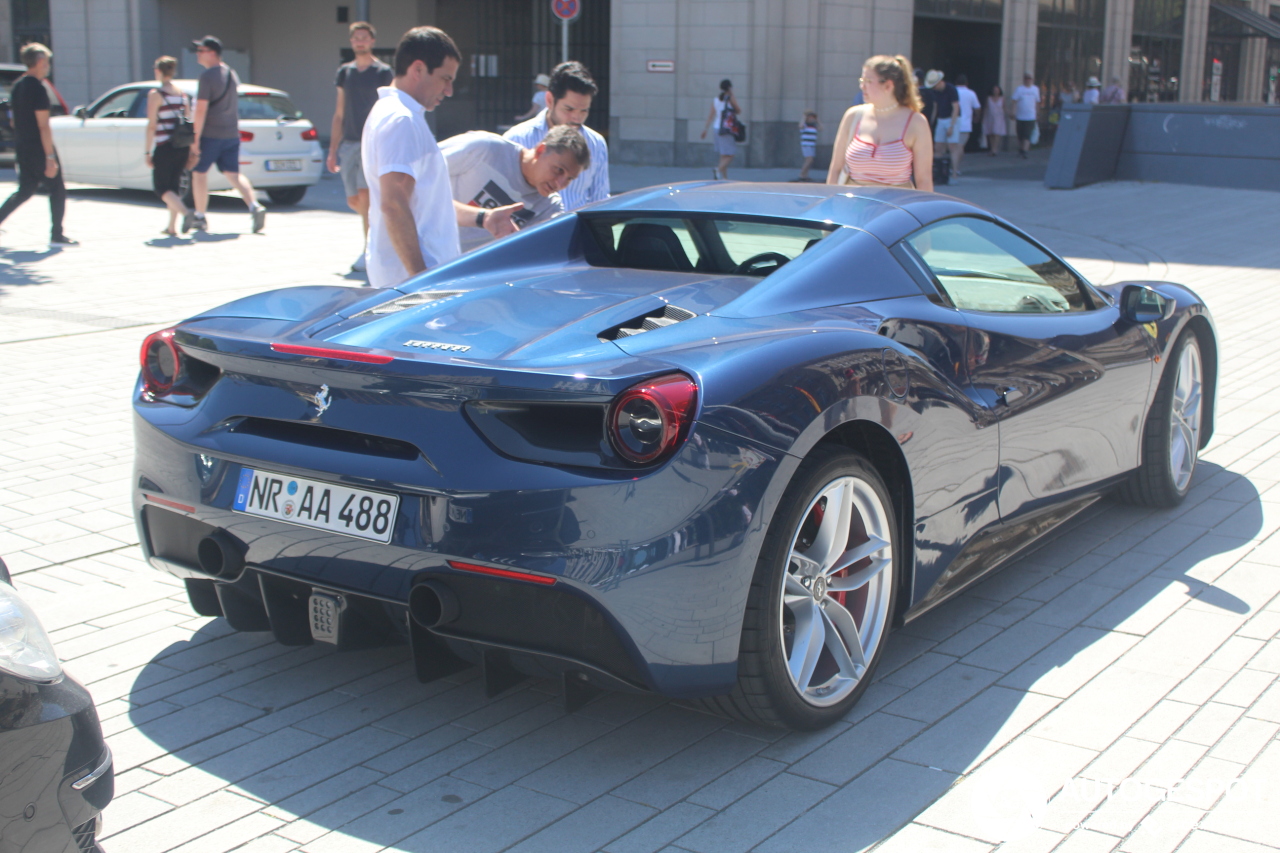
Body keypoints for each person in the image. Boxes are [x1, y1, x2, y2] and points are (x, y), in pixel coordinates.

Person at [362, 27, 519, 289]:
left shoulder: (400, 115)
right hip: (412, 281)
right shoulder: (401, 120)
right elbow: (394, 204)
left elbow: (424, 200)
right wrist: (421, 281)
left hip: (411, 277)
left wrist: (484, 218)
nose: (449, 90)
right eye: (445, 78)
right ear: (418, 69)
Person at [443, 124, 587, 250]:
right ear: (541, 150)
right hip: (427, 252)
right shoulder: (485, 148)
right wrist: (483, 217)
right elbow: (421, 180)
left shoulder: (549, 207)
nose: (560, 184)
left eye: (569, 179)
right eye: (558, 170)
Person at [327, 21, 393, 272]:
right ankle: (375, 241)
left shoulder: (383, 72)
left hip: (373, 143)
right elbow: (339, 112)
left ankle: (368, 251)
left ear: (372, 41)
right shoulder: (345, 72)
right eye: (356, 38)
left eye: (364, 37)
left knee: (365, 197)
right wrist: (333, 150)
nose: (360, 41)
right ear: (352, 41)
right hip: (349, 144)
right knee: (355, 200)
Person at [503, 61, 609, 209]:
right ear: (550, 101)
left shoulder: (596, 143)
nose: (577, 118)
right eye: (569, 109)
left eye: (584, 111)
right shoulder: (517, 139)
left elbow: (600, 200)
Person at [189, 35, 266, 233]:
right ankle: (254, 206)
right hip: (231, 133)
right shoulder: (232, 74)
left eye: (201, 50)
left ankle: (200, 216)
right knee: (233, 174)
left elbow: (201, 109)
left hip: (210, 134)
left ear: (212, 53)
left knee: (199, 173)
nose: (197, 54)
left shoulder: (207, 77)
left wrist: (195, 138)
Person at [0, 43, 75, 246]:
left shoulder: (18, 85)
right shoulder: (39, 89)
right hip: (39, 149)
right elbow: (44, 126)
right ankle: (57, 235)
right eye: (48, 61)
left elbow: (14, 120)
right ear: (40, 61)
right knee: (57, 190)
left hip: (23, 147)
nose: (49, 66)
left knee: (25, 190)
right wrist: (50, 157)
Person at [826, 55, 933, 192]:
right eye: (861, 80)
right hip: (853, 206)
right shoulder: (853, 116)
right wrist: (830, 205)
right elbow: (835, 169)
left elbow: (924, 180)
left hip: (895, 207)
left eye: (868, 81)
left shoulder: (916, 122)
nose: (862, 86)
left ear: (888, 85)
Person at [144, 56, 194, 236]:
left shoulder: (156, 95)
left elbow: (152, 125)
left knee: (161, 188)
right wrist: (193, 150)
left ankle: (187, 213)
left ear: (159, 71)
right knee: (173, 187)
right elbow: (189, 122)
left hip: (165, 146)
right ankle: (172, 227)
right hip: (182, 146)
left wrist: (147, 151)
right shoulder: (182, 95)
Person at [700, 79, 741, 180]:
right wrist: (732, 96)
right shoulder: (730, 98)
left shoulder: (716, 99)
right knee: (731, 154)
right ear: (729, 87)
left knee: (723, 154)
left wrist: (705, 129)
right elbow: (739, 110)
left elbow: (711, 116)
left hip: (716, 128)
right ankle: (718, 169)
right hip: (726, 129)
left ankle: (724, 178)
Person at [929, 71, 960, 173]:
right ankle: (938, 172)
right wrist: (932, 122)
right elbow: (935, 107)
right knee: (938, 146)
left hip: (951, 118)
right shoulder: (935, 92)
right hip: (941, 119)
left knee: (952, 146)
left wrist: (951, 125)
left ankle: (954, 172)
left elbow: (956, 108)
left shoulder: (951, 89)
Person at [953, 73, 981, 178]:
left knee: (954, 147)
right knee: (960, 147)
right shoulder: (971, 93)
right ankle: (955, 168)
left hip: (953, 123)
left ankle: (954, 167)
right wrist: (977, 117)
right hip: (965, 124)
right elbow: (977, 107)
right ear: (967, 83)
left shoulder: (953, 91)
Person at [1011, 73, 1042, 159]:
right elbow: (1014, 101)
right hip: (1020, 116)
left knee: (1027, 134)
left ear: (1032, 80)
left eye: (1029, 79)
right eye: (1026, 79)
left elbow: (1037, 102)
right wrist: (1013, 112)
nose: (1028, 80)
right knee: (1020, 134)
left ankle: (1025, 151)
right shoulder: (1019, 89)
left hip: (1031, 116)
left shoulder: (1035, 89)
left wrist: (1038, 113)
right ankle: (1021, 149)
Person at [982, 84, 1007, 155]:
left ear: (999, 91)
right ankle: (992, 148)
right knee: (991, 134)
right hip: (990, 117)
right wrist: (984, 117)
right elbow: (986, 108)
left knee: (997, 133)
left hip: (999, 117)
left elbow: (1004, 107)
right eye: (994, 90)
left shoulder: (1002, 99)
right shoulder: (988, 98)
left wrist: (1010, 114)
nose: (996, 91)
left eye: (997, 90)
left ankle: (994, 149)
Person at [797, 111, 820, 181]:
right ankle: (801, 174)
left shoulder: (814, 125)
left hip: (812, 144)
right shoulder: (805, 125)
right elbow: (800, 126)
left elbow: (821, 128)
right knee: (809, 160)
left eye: (812, 118)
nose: (811, 119)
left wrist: (817, 120)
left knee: (810, 160)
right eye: (810, 118)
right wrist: (804, 118)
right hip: (806, 144)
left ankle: (805, 175)